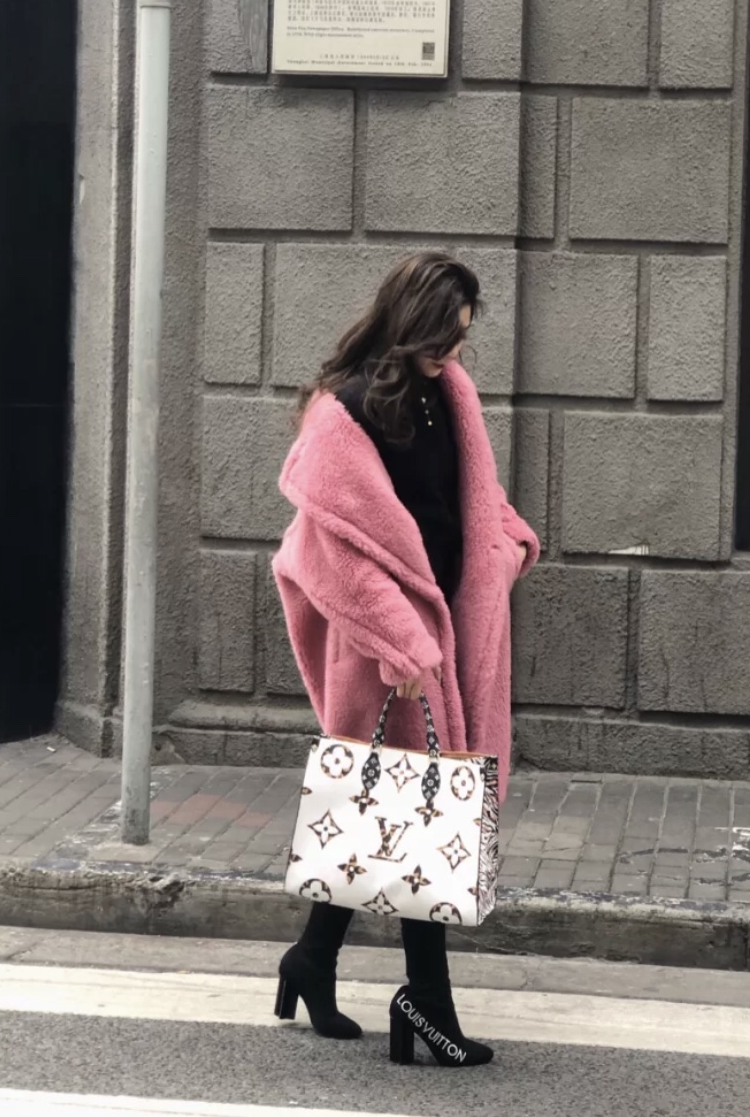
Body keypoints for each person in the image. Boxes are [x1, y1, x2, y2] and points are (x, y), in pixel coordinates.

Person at [271, 253, 540, 1068]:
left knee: (383, 808)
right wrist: (402, 642)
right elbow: (333, 552)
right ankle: (427, 1002)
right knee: (426, 815)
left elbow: (473, 498)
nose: (453, 353)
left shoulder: (449, 394)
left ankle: (310, 961)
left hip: (449, 636)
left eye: (461, 339)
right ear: (410, 323)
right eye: (442, 338)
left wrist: (506, 545)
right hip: (387, 653)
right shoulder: (344, 414)